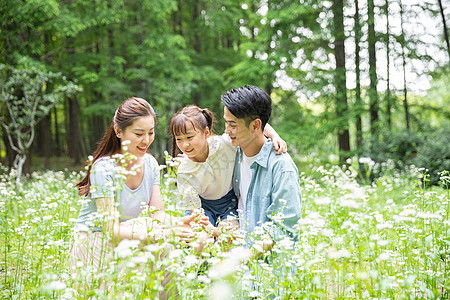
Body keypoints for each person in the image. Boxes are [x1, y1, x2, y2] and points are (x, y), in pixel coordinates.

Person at [71, 97, 198, 293]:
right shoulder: (103, 169)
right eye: (139, 133)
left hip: (130, 236)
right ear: (118, 131)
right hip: (97, 241)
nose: (146, 140)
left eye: (151, 132)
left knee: (168, 251)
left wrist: (179, 223)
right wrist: (160, 234)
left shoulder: (150, 163)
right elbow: (111, 231)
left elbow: (157, 213)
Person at [168, 105, 287, 238]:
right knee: (199, 241)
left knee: (228, 238)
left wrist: (274, 136)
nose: (184, 145)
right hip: (202, 207)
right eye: (179, 139)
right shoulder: (184, 170)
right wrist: (205, 225)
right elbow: (194, 209)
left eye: (190, 137)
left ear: (206, 132)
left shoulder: (223, 144)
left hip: (228, 205)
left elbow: (253, 123)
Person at [221, 85, 302, 250]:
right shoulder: (231, 152)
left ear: (256, 126)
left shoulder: (281, 167)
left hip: (265, 267)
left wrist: (242, 259)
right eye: (226, 123)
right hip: (235, 254)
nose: (227, 131)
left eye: (233, 125)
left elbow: (283, 228)